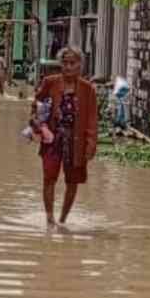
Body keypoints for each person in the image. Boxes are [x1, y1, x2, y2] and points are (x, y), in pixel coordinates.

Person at [35, 47, 98, 228]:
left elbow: (92, 119)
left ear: (80, 66)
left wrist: (91, 144)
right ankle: (49, 219)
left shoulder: (88, 89)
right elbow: (37, 105)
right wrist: (39, 125)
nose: (68, 66)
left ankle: (62, 220)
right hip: (52, 140)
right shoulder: (50, 82)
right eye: (65, 62)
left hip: (76, 141)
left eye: (73, 63)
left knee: (72, 180)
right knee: (49, 177)